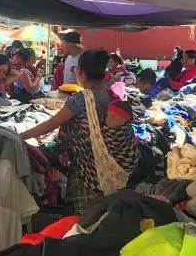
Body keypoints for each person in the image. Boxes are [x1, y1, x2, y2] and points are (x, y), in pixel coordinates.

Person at [18, 49, 137, 211]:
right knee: (106, 209)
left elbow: (49, 125)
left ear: (80, 72)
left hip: (88, 167)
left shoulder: (81, 98)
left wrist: (19, 136)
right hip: (111, 162)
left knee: (87, 215)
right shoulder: (111, 92)